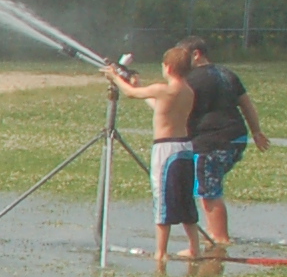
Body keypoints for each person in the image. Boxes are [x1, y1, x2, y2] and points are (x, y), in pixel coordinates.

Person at [103, 48, 207, 260]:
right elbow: (160, 106)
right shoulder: (187, 91)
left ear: (167, 68)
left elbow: (130, 94)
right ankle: (194, 248)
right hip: (185, 148)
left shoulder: (163, 89)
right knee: (185, 198)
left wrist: (115, 77)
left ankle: (161, 252)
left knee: (163, 199)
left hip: (165, 150)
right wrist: (139, 85)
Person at [178, 38, 270, 250]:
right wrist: (256, 132)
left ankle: (220, 239)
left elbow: (170, 105)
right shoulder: (227, 74)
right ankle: (213, 233)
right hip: (236, 138)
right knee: (206, 186)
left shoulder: (192, 79)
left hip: (212, 142)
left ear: (196, 54)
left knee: (209, 190)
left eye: (183, 55)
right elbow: (246, 104)